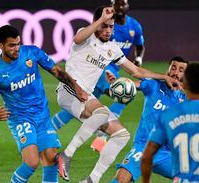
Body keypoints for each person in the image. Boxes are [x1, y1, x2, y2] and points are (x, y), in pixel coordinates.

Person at [56, 6, 180, 183]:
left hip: (86, 98)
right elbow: (77, 40)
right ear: (96, 24)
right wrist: (99, 20)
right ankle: (66, 155)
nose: (108, 31)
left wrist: (164, 76)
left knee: (122, 134)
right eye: (104, 26)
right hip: (69, 90)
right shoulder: (84, 35)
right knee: (101, 113)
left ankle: (92, 180)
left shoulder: (112, 48)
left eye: (111, 27)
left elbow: (136, 72)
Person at [0, 25, 87, 183]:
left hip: (42, 118)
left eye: (18, 43)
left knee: (50, 159)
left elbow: (57, 71)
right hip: (20, 119)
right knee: (31, 162)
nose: (17, 48)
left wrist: (77, 88)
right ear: (0, 45)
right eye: (11, 45)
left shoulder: (32, 53)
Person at [72, 57, 188, 183]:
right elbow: (133, 85)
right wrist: (117, 83)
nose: (176, 72)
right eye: (173, 68)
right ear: (167, 69)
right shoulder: (154, 85)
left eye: (181, 70)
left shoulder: (185, 98)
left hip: (165, 152)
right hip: (144, 148)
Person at [51, 0, 145, 152]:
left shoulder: (134, 26)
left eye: (123, 4)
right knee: (124, 94)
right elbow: (91, 46)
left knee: (80, 106)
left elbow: (140, 46)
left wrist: (139, 59)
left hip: (109, 69)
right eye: (117, 4)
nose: (120, 7)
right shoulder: (102, 25)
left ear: (128, 6)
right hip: (102, 70)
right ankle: (101, 137)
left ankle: (49, 129)